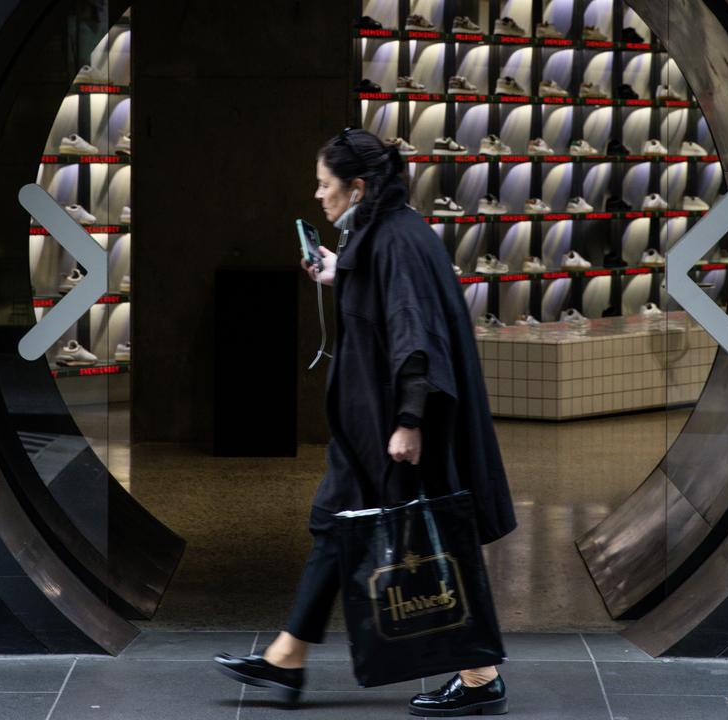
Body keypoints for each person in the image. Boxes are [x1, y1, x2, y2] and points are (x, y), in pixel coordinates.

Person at [213, 128, 517, 717]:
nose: (317, 195)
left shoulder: (396, 241)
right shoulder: (380, 234)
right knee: (334, 526)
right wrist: (339, 270)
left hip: (392, 432)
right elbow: (383, 294)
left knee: (428, 544)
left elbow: (413, 336)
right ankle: (287, 657)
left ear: (357, 188)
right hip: (366, 430)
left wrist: (409, 421)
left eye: (326, 185)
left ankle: (481, 677)